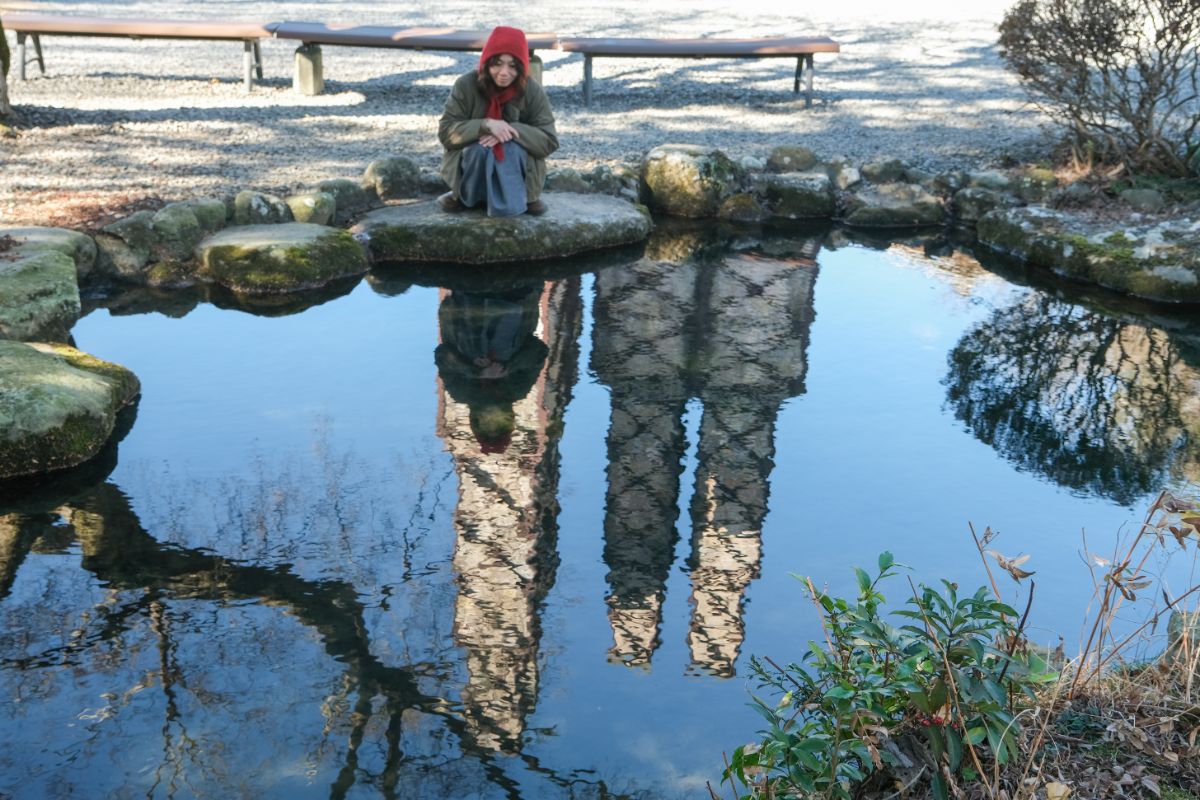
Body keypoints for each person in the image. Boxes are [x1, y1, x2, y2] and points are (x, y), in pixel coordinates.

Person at [437, 26, 559, 217]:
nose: (504, 72)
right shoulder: (465, 85)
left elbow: (549, 140)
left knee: (510, 150)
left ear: (522, 67)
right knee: (479, 149)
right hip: (473, 159)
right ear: (486, 63)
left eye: (512, 66)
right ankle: (467, 196)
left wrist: (509, 131)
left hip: (518, 162)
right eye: (497, 64)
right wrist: (485, 125)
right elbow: (446, 132)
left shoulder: (532, 90)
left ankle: (522, 198)